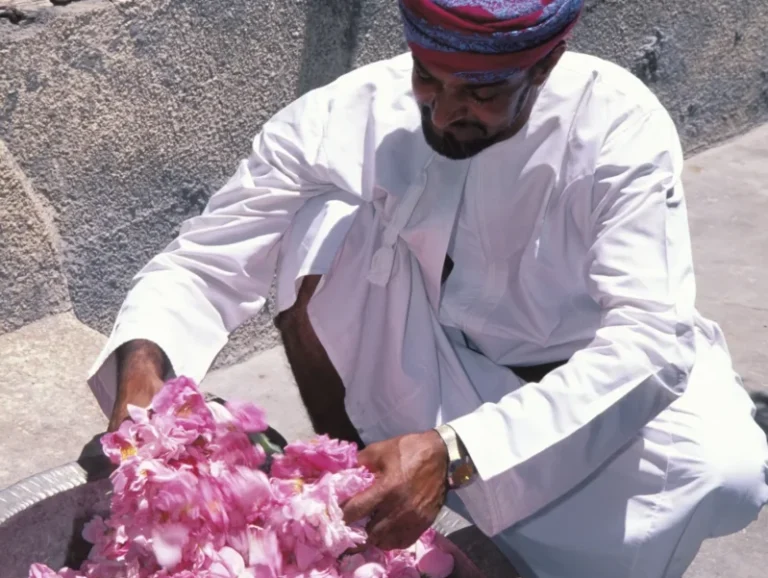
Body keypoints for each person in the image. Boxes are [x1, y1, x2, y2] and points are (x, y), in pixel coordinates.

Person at [87, 1, 768, 576]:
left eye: (480, 94)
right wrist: (145, 365)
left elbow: (650, 339)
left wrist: (461, 453)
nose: (443, 114)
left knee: (722, 472)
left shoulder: (619, 127)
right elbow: (206, 256)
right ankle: (361, 494)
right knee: (321, 220)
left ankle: (450, 492)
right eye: (427, 79)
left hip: (582, 390)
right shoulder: (345, 114)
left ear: (545, 66)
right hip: (423, 357)